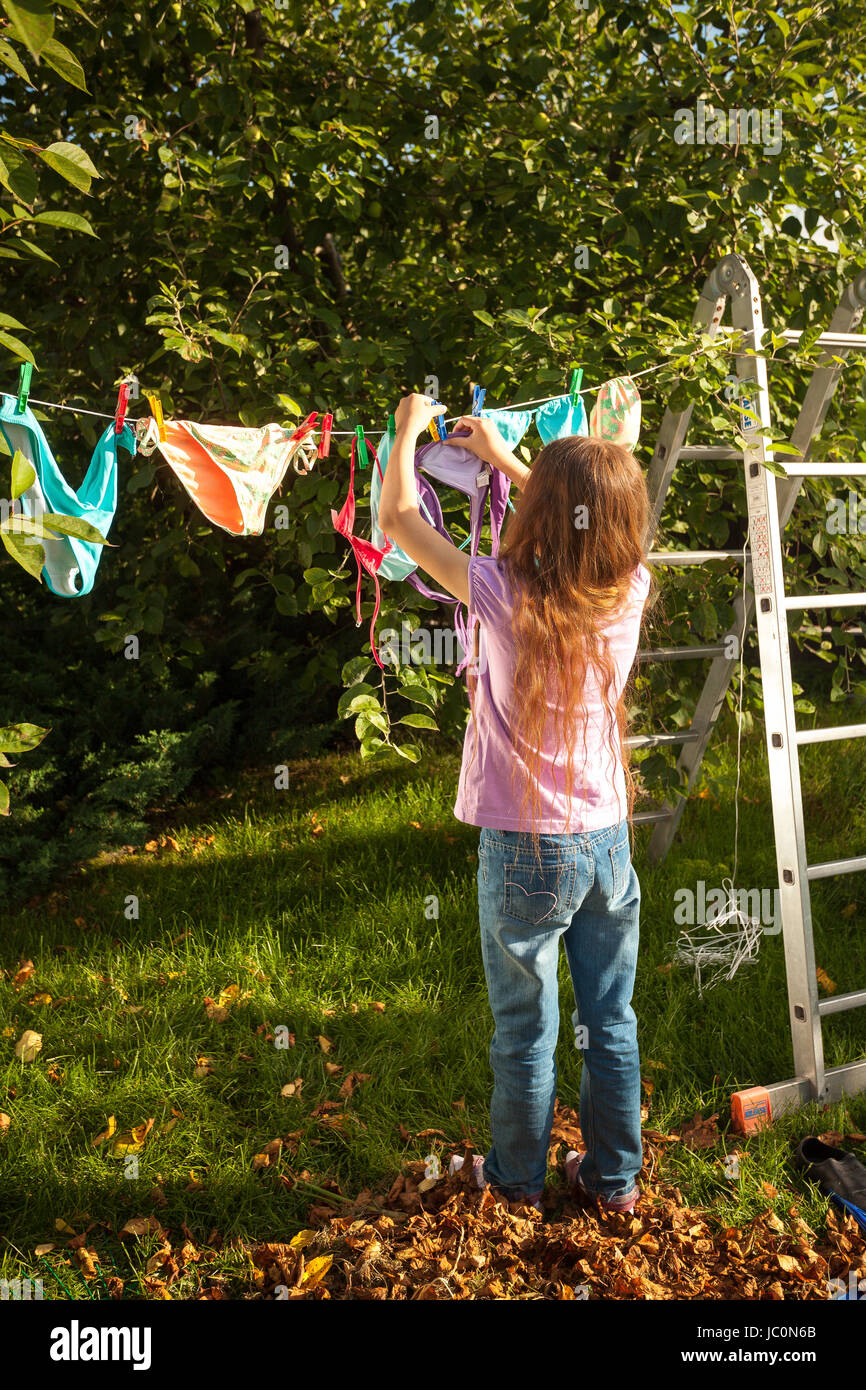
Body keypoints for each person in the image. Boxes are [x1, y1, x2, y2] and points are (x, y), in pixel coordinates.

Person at [378, 392, 654, 1215]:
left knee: (527, 1032)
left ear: (540, 511)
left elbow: (396, 516)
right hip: (606, 841)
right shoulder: (631, 586)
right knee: (612, 1022)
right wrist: (504, 457)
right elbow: (589, 521)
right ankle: (613, 1186)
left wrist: (404, 427)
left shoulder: (499, 588)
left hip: (526, 849)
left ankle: (517, 1186)